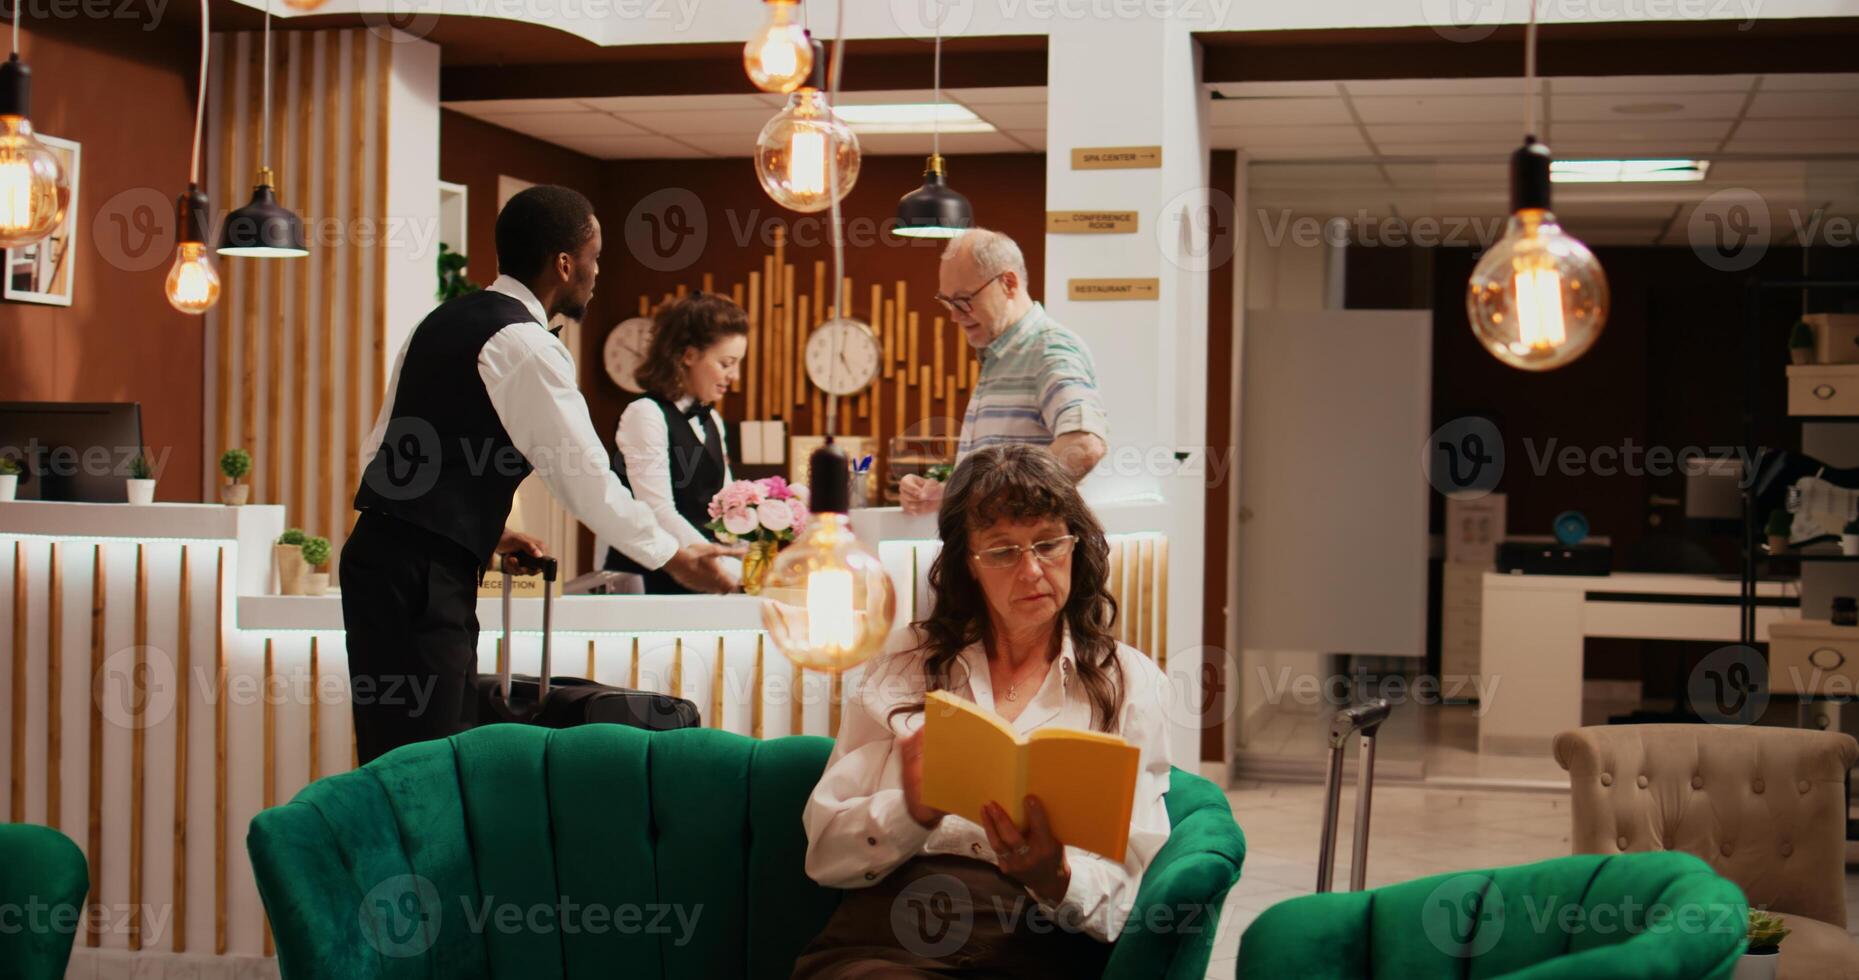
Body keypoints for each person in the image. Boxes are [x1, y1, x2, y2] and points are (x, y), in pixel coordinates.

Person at [341, 185, 738, 765]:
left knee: (390, 756)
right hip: (426, 579)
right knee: (423, 766)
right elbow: (586, 479)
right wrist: (672, 557)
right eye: (595, 257)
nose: (597, 273)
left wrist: (486, 531)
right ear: (564, 263)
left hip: (378, 560)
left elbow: (380, 450)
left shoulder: (439, 321)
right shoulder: (525, 345)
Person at [795, 444, 1172, 978]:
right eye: (1002, 551)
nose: (1032, 570)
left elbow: (1140, 879)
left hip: (1032, 937)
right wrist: (912, 813)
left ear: (1077, 546)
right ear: (967, 567)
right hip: (885, 934)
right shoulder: (905, 662)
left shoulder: (1128, 681)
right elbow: (825, 854)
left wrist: (1056, 877)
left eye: (1049, 544)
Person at [899, 229, 1110, 515]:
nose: (954, 315)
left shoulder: (1048, 348)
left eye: (963, 300)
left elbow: (1084, 445)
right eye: (947, 301)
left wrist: (998, 505)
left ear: (1008, 283)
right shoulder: (1001, 355)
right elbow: (992, 481)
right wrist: (945, 493)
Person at [606, 291, 748, 593]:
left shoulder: (713, 420)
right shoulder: (645, 414)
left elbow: (726, 504)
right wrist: (722, 566)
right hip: (650, 579)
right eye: (726, 363)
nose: (734, 375)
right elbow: (658, 511)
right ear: (688, 356)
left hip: (704, 578)